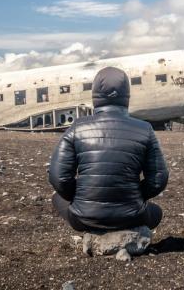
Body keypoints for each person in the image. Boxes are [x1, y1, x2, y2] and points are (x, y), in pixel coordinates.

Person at [49, 67, 169, 231]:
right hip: (132, 217)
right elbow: (158, 179)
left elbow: (59, 178)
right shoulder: (145, 129)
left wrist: (81, 197)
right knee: (157, 212)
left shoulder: (77, 127)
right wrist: (135, 195)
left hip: (83, 218)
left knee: (57, 198)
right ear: (126, 95)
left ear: (95, 94)